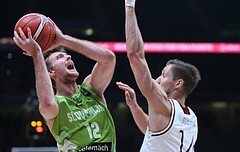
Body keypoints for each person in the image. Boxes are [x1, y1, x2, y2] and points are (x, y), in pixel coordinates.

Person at [13, 19, 116, 152]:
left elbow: (109, 59)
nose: (68, 58)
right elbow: (47, 104)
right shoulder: (56, 105)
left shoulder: (91, 90)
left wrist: (64, 40)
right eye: (60, 57)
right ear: (51, 72)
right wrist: (37, 54)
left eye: (68, 56)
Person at [116, 0, 201, 151]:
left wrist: (129, 5)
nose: (157, 79)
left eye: (164, 75)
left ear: (178, 83)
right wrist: (135, 107)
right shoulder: (191, 117)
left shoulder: (165, 106)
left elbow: (135, 55)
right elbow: (152, 131)